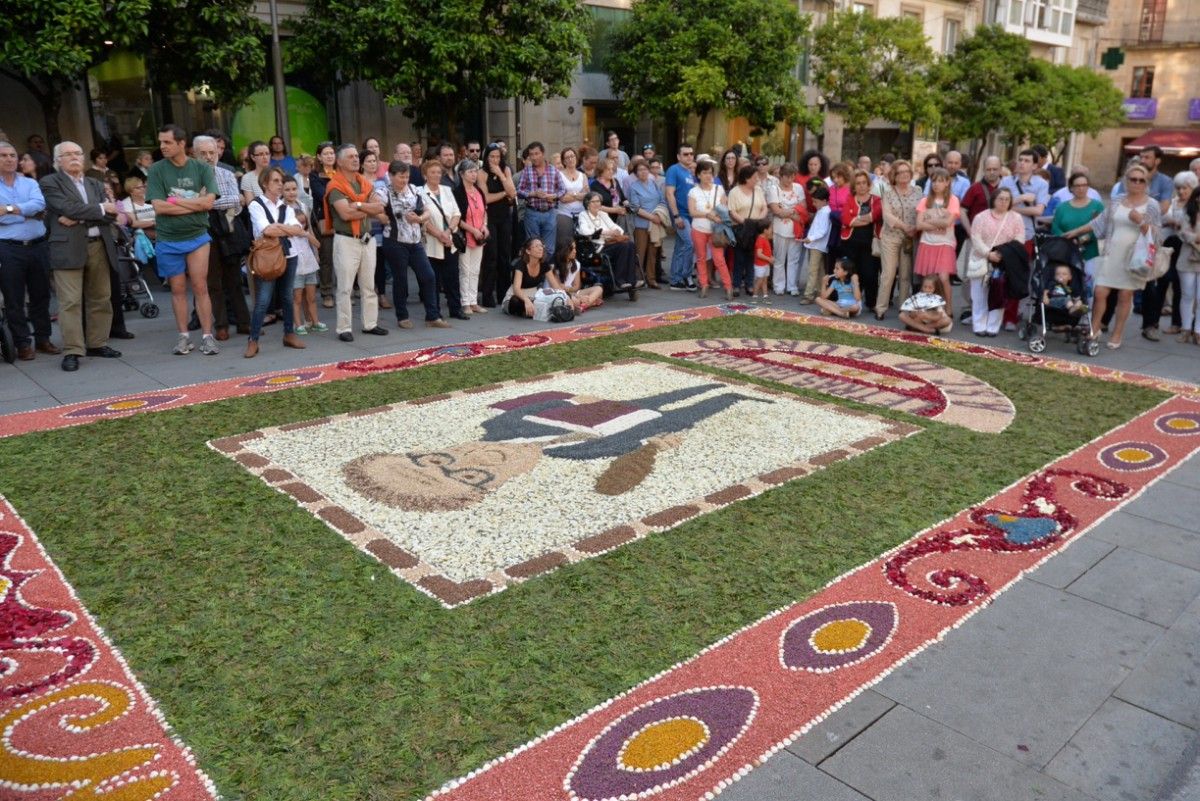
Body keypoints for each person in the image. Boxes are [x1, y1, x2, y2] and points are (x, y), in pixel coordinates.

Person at [40, 141, 122, 370]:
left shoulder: (94, 183)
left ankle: (97, 342)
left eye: (78, 153)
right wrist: (100, 209)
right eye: (68, 154)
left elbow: (110, 216)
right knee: (70, 302)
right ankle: (73, 350)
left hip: (98, 245)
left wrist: (78, 217)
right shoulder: (49, 182)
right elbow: (66, 207)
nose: (74, 157)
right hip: (67, 248)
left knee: (100, 297)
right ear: (58, 160)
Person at [145, 124, 219, 355]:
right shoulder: (157, 170)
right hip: (168, 238)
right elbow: (158, 206)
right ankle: (183, 336)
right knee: (177, 289)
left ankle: (207, 336)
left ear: (181, 144)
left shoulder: (201, 168)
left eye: (167, 142)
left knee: (200, 286)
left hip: (197, 236)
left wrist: (175, 201)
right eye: (161, 142)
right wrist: (192, 204)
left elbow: (208, 203)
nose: (162, 146)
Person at [1076, 163, 1164, 349]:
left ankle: (1117, 333)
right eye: (1133, 179)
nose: (1137, 183)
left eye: (1142, 180)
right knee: (1100, 292)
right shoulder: (1117, 200)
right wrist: (1074, 232)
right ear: (1126, 180)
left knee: (1125, 295)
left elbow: (1157, 236)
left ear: (1146, 183)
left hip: (1134, 257)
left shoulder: (1152, 205)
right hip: (1111, 253)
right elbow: (1099, 223)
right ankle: (1095, 328)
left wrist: (1141, 221)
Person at [0, 141, 58, 362]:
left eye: (13, 155)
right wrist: (25, 211)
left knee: (41, 295)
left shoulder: (30, 183)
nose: (9, 159)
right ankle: (23, 343)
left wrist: (7, 210)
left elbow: (39, 206)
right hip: (8, 248)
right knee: (14, 298)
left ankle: (43, 339)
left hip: (37, 245)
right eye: (4, 155)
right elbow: (31, 210)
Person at [324, 143, 387, 342]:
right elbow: (344, 213)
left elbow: (380, 207)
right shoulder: (334, 185)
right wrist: (368, 207)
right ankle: (344, 328)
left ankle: (370, 324)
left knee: (369, 285)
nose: (355, 159)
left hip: (367, 240)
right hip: (346, 241)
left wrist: (359, 204)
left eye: (356, 156)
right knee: (345, 287)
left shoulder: (365, 183)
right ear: (340, 162)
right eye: (350, 157)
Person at [376, 159, 447, 330]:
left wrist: (420, 219)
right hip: (395, 241)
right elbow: (376, 209)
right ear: (391, 176)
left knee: (428, 276)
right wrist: (383, 218)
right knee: (401, 279)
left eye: (406, 176)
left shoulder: (414, 190)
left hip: (415, 240)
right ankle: (402, 316)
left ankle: (432, 316)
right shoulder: (383, 192)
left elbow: (426, 211)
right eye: (401, 177)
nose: (404, 180)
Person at [244, 167, 307, 358]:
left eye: (281, 181)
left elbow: (298, 229)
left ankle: (289, 334)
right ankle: (253, 340)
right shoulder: (255, 205)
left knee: (287, 297)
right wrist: (287, 228)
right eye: (276, 181)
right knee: (262, 301)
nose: (280, 185)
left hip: (290, 254)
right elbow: (266, 230)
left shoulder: (286, 207)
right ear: (265, 183)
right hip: (267, 257)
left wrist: (281, 228)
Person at [193, 134, 248, 341]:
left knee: (234, 280)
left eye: (212, 152)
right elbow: (194, 204)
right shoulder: (191, 177)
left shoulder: (226, 174)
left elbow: (237, 201)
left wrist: (208, 203)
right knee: (213, 282)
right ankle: (221, 325)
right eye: (203, 153)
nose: (208, 157)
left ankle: (244, 323)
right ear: (195, 154)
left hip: (228, 230)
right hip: (204, 232)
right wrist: (209, 203)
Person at [1142, 171, 1197, 341]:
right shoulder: (1171, 203)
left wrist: (1183, 228)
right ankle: (1153, 322)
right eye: (1179, 188)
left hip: (1185, 248)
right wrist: (1169, 222)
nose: (1181, 191)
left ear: (1192, 188)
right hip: (1166, 246)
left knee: (1182, 289)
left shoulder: (1194, 207)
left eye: (1185, 188)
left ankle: (1178, 324)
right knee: (1162, 283)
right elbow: (1157, 222)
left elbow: (1190, 231)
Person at [966, 187, 1025, 336]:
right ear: (994, 199)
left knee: (998, 294)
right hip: (981, 259)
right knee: (979, 294)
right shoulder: (981, 217)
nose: (1004, 202)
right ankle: (979, 325)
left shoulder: (1016, 218)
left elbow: (1019, 239)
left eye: (1007, 199)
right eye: (1001, 198)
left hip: (1003, 261)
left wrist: (1002, 253)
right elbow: (976, 238)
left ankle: (993, 327)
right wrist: (988, 254)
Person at [419, 159, 468, 320]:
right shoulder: (420, 192)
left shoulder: (447, 190)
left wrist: (447, 232)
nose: (436, 175)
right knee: (433, 279)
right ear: (425, 175)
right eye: (432, 172)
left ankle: (456, 309)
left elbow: (456, 213)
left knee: (452, 278)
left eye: (438, 172)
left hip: (449, 240)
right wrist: (439, 235)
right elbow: (423, 220)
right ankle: (434, 312)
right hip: (432, 243)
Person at [914, 167, 960, 318]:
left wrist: (930, 219)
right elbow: (919, 225)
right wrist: (939, 222)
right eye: (934, 180)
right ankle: (927, 308)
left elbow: (948, 223)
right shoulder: (924, 201)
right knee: (928, 280)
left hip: (945, 244)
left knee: (943, 278)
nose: (936, 184)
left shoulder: (953, 200)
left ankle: (949, 308)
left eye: (940, 181)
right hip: (927, 243)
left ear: (947, 182)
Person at [876, 159, 918, 319]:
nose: (904, 175)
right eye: (900, 172)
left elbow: (921, 211)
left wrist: (916, 228)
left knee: (906, 274)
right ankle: (880, 309)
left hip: (909, 239)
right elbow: (887, 216)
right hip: (891, 237)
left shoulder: (918, 191)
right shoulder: (887, 192)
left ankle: (904, 308)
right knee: (888, 274)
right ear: (894, 174)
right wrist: (905, 227)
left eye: (907, 171)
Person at [283, 176, 325, 336]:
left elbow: (311, 231)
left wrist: (315, 253)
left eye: (294, 189)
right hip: (293, 256)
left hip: (308, 257)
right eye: (287, 189)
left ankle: (314, 321)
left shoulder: (303, 205)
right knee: (297, 296)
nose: (291, 192)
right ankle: (298, 323)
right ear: (282, 191)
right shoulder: (281, 209)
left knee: (311, 295)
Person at [1050, 171, 1105, 287]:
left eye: (1084, 185)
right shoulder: (1062, 207)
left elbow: (1100, 228)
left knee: (1088, 288)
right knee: (1065, 287)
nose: (1081, 188)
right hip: (1065, 254)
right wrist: (1068, 241)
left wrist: (1080, 240)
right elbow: (1055, 228)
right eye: (1077, 186)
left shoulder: (1097, 206)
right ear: (1071, 188)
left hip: (1089, 254)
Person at [478, 143, 516, 307]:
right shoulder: (481, 173)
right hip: (489, 218)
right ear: (486, 157)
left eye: (497, 157)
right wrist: (503, 193)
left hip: (504, 217)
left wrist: (501, 174)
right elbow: (485, 198)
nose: (494, 160)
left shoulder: (505, 170)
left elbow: (513, 193)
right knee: (491, 256)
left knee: (504, 256)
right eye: (491, 156)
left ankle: (503, 294)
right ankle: (487, 295)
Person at [839, 169, 882, 313]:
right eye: (858, 183)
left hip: (869, 243)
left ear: (869, 184)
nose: (861, 186)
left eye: (864, 183)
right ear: (854, 185)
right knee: (850, 273)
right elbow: (845, 220)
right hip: (850, 242)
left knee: (869, 274)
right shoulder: (850, 198)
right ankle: (849, 301)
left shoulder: (876, 200)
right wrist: (865, 219)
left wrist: (855, 220)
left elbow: (875, 216)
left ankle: (871, 302)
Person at [576, 191, 639, 290]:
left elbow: (618, 228)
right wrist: (606, 232)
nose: (597, 204)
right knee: (624, 246)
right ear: (587, 203)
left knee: (630, 245)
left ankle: (632, 281)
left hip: (610, 243)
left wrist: (616, 231)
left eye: (599, 201)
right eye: (594, 201)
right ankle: (620, 280)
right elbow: (584, 231)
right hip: (597, 247)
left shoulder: (603, 214)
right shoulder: (583, 215)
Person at [688, 159, 731, 300]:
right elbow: (692, 212)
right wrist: (707, 214)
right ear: (698, 175)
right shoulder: (693, 192)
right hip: (698, 228)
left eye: (710, 173)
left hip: (715, 229)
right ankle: (703, 284)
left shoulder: (719, 189)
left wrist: (718, 216)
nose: (708, 176)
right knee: (700, 258)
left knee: (719, 259)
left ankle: (728, 287)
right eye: (704, 173)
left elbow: (725, 209)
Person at [516, 142, 565, 264]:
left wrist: (554, 196)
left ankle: (545, 279)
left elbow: (563, 190)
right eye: (531, 154)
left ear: (543, 154)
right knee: (533, 248)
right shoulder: (526, 171)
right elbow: (519, 191)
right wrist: (533, 194)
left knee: (548, 248)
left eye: (536, 154)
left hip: (550, 213)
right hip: (532, 213)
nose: (534, 157)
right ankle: (535, 279)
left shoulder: (553, 170)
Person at [727, 165, 768, 298]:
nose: (757, 179)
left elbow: (764, 207)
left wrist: (758, 221)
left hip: (755, 228)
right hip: (740, 228)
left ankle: (750, 284)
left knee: (751, 257)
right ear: (746, 178)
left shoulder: (758, 190)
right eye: (754, 177)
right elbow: (732, 211)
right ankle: (736, 285)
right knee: (739, 257)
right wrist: (745, 222)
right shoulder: (735, 192)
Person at [766, 162, 806, 298]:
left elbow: (803, 207)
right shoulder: (774, 189)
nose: (790, 180)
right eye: (787, 176)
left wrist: (788, 211)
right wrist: (794, 212)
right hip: (780, 228)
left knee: (794, 259)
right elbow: (776, 210)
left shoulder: (798, 188)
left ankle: (792, 286)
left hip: (796, 229)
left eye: (792, 176)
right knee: (779, 258)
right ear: (781, 176)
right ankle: (779, 286)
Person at [454, 159, 489, 313]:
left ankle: (474, 301)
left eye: (475, 171)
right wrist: (472, 230)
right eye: (470, 171)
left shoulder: (479, 191)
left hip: (479, 236)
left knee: (475, 270)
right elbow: (456, 218)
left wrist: (484, 226)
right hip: (465, 236)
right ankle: (465, 302)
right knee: (465, 270)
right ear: (462, 174)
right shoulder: (458, 192)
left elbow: (484, 212)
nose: (474, 174)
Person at [628, 160, 666, 289]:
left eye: (645, 169)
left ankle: (651, 279)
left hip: (655, 224)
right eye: (640, 170)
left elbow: (662, 200)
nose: (643, 172)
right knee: (640, 252)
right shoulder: (633, 187)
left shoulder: (654, 184)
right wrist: (652, 218)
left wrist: (658, 216)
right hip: (641, 225)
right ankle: (638, 279)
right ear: (636, 173)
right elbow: (635, 208)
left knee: (653, 253)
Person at [665, 143, 698, 290]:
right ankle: (687, 276)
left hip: (691, 215)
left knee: (680, 246)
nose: (689, 156)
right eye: (685, 154)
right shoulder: (674, 169)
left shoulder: (690, 172)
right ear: (679, 156)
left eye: (691, 154)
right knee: (690, 244)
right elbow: (669, 193)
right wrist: (676, 215)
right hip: (680, 214)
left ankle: (675, 279)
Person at [505, 238, 566, 317]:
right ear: (528, 251)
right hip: (516, 296)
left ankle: (535, 311)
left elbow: (555, 286)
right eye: (537, 246)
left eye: (541, 246)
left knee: (555, 298)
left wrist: (567, 297)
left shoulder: (544, 264)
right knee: (516, 301)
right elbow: (516, 289)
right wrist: (526, 300)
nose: (541, 248)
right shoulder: (520, 264)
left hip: (534, 296)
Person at [310, 142, 338, 308]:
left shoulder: (341, 172)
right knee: (326, 257)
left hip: (344, 217)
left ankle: (345, 291)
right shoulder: (315, 175)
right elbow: (322, 195)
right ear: (319, 157)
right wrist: (341, 196)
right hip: (325, 219)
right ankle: (327, 293)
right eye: (326, 153)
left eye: (332, 153)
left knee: (344, 257)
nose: (330, 156)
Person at [1173, 176, 1200, 344]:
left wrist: (1192, 237)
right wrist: (1195, 237)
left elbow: (1187, 234)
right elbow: (1182, 233)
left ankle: (1198, 331)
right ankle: (1185, 328)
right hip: (1186, 259)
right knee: (1187, 295)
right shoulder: (1186, 213)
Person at [801, 184, 832, 304]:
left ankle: (809, 295)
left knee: (812, 270)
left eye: (816, 202)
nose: (814, 204)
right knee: (819, 271)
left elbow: (822, 231)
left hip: (817, 245)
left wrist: (811, 238)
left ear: (824, 201)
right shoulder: (823, 210)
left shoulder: (825, 212)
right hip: (816, 245)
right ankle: (821, 292)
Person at [554, 147, 588, 256]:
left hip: (581, 213)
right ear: (563, 161)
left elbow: (587, 195)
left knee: (582, 244)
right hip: (564, 213)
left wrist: (571, 194)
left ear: (576, 158)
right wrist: (579, 194)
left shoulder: (583, 175)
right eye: (567, 157)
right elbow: (562, 198)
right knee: (565, 245)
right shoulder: (559, 175)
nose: (570, 159)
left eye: (572, 156)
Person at [555, 240, 604, 312]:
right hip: (560, 294)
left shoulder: (576, 264)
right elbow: (558, 289)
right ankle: (589, 302)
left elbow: (577, 286)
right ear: (564, 250)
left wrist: (574, 293)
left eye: (575, 248)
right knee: (575, 300)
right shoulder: (555, 266)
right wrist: (577, 296)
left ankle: (583, 305)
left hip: (572, 292)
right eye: (572, 249)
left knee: (599, 289)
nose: (575, 251)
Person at [240, 140, 271, 206]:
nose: (265, 157)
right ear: (253, 157)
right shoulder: (247, 178)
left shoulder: (277, 174)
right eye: (261, 154)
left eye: (267, 153)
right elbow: (251, 205)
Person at [752, 230, 772, 302]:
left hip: (765, 264)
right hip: (760, 265)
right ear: (765, 230)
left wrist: (770, 257)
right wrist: (769, 259)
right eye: (770, 228)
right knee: (759, 281)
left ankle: (765, 295)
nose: (771, 230)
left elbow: (767, 251)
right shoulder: (760, 240)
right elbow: (759, 254)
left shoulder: (766, 238)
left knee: (764, 280)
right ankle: (755, 296)